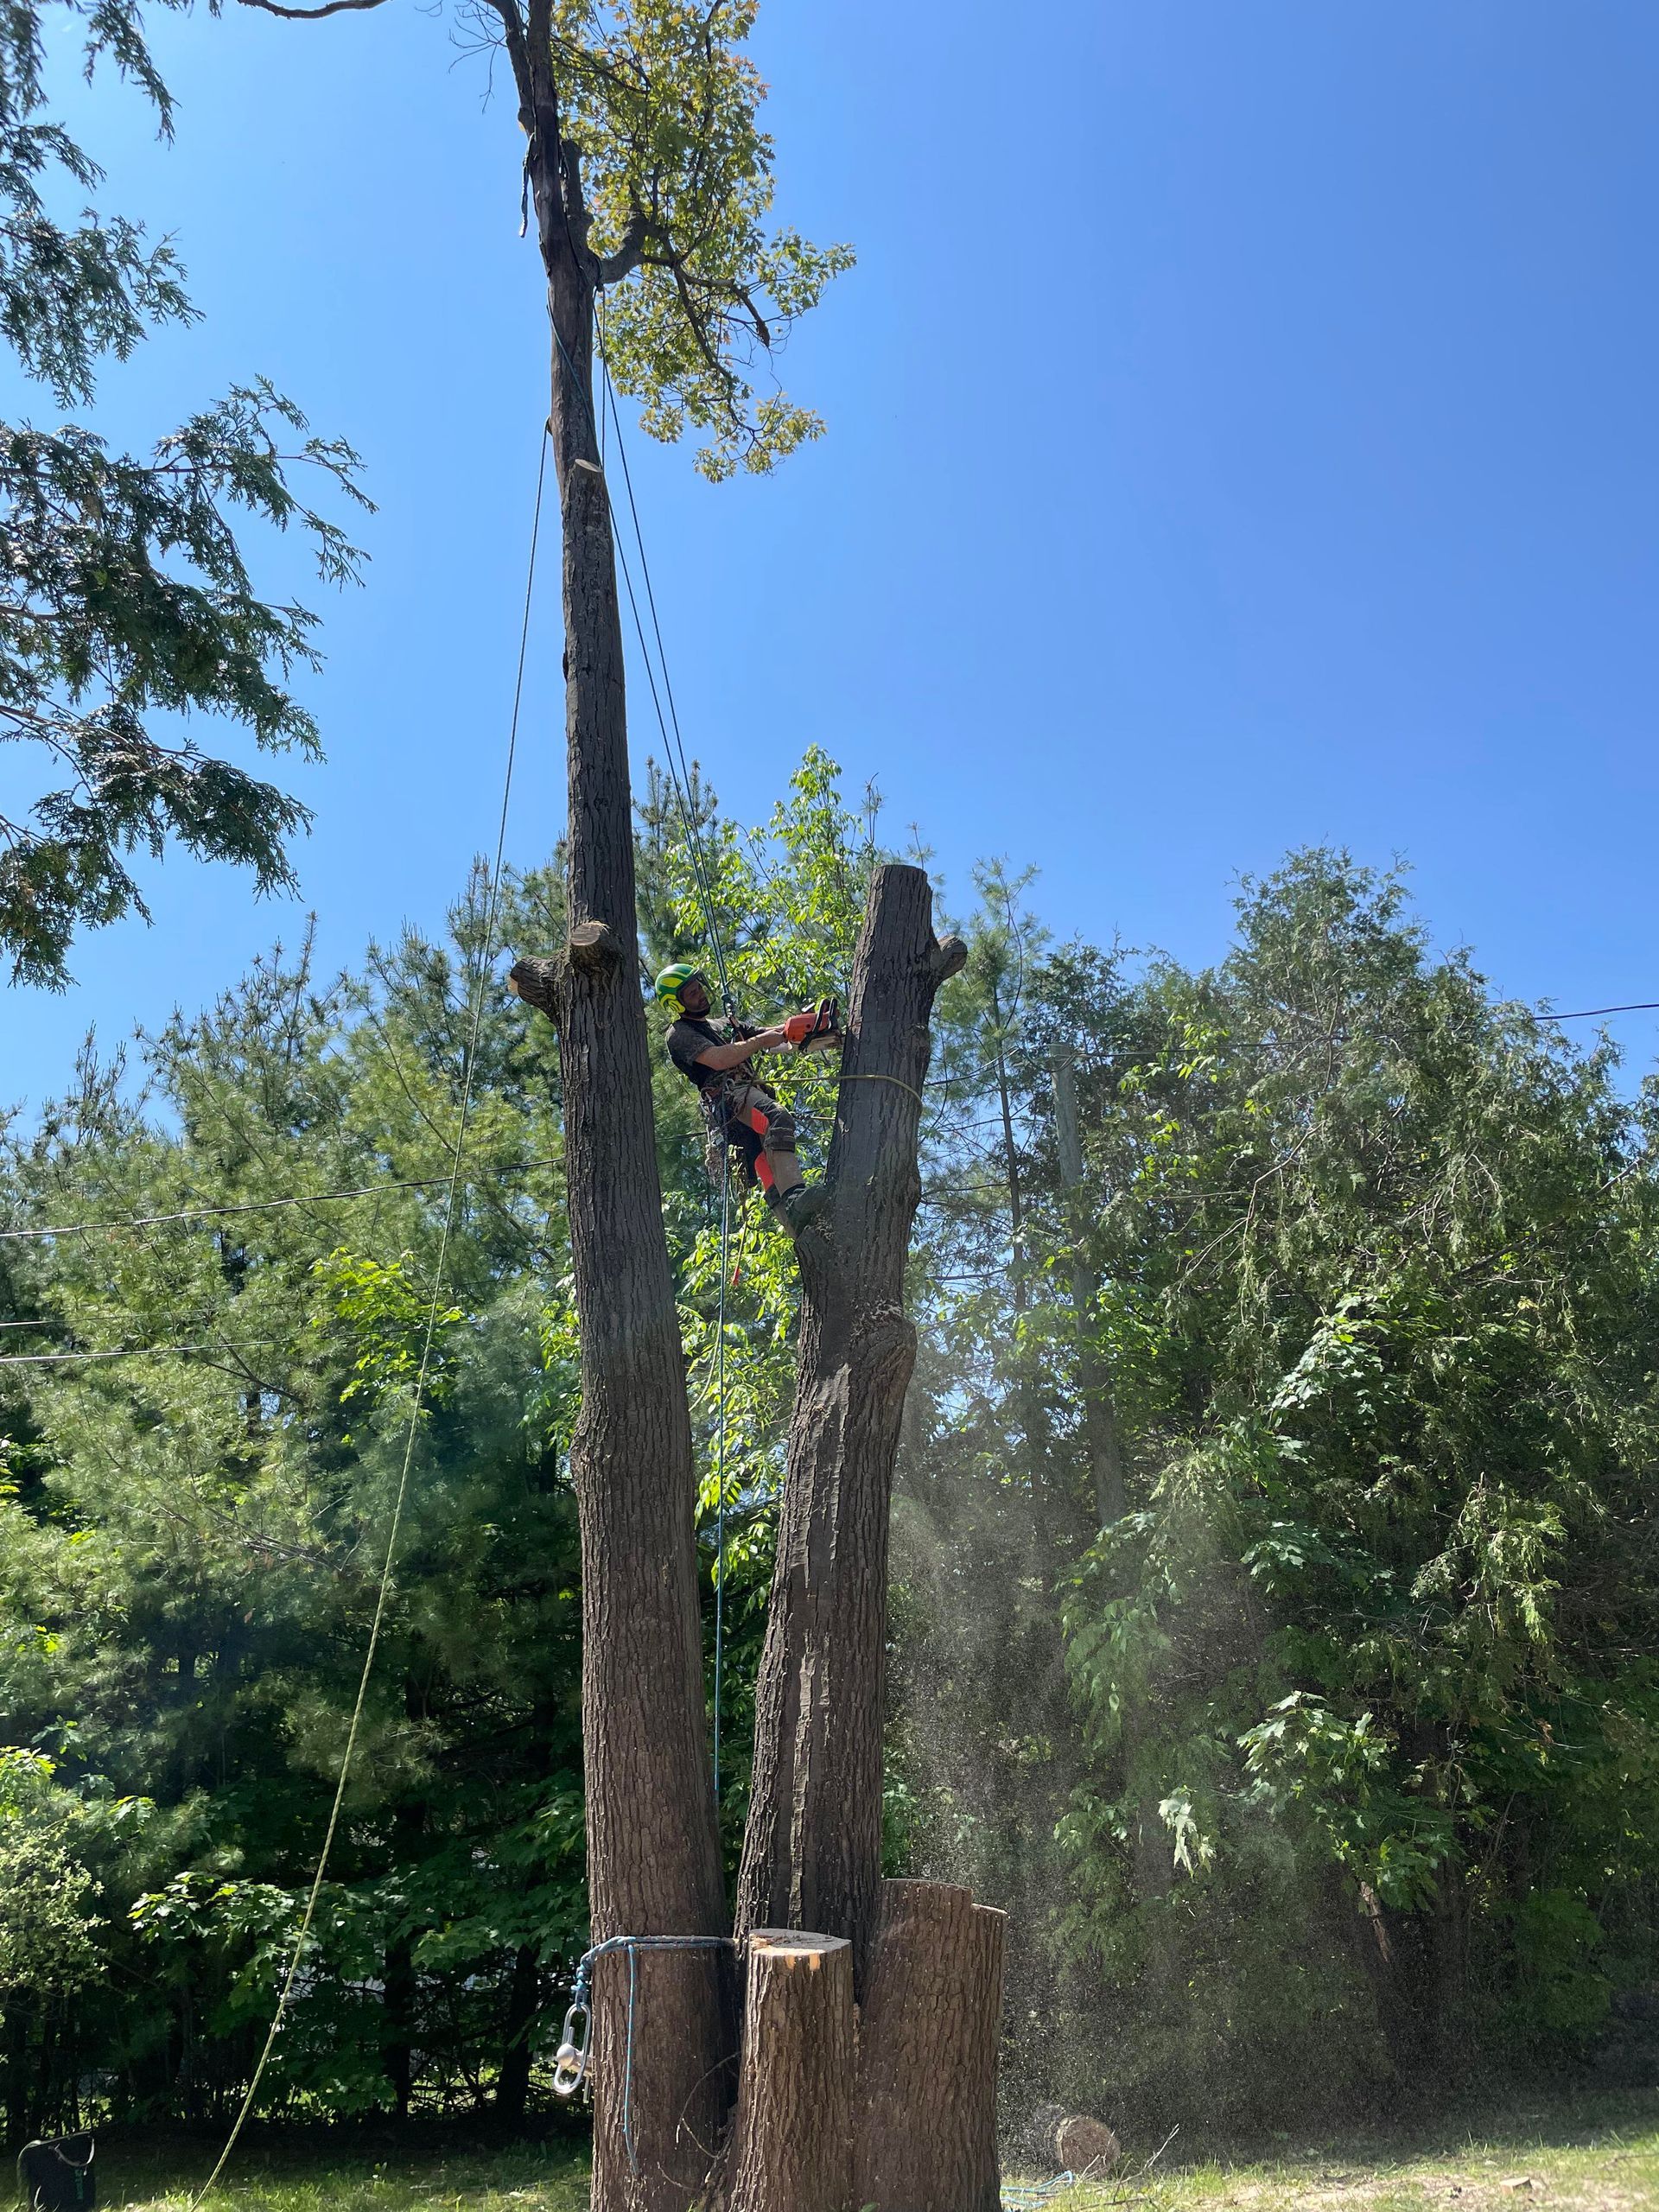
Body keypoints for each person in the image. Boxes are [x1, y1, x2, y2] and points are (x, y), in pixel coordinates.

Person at [655, 963, 826, 1236]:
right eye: (691, 993)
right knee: (776, 1117)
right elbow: (720, 1059)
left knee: (763, 1159)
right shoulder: (679, 1034)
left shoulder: (724, 1024)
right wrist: (760, 1042)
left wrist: (805, 1027)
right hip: (729, 1097)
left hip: (746, 1095)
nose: (700, 995)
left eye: (699, 988)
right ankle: (794, 1196)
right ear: (677, 1004)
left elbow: (773, 1036)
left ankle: (798, 1229)